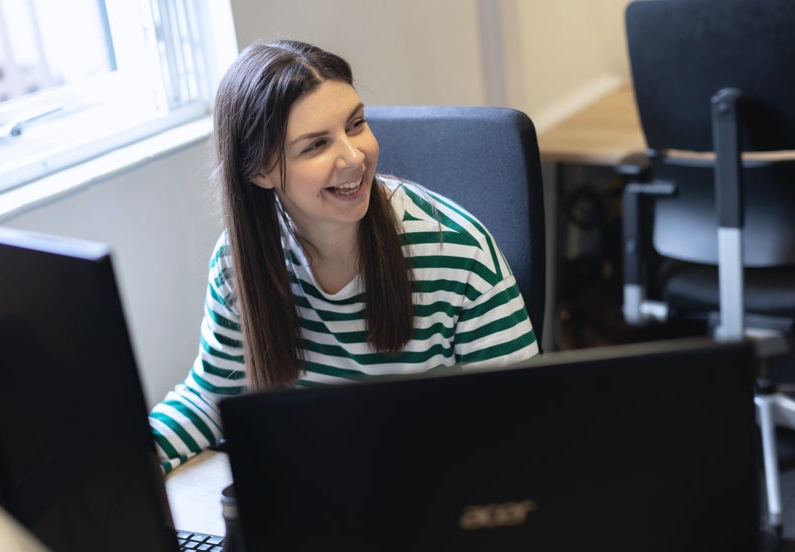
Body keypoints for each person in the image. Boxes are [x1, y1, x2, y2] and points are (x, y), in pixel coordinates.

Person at [149, 39, 539, 474]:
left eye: (355, 125)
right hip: (313, 497)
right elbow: (211, 398)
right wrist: (121, 463)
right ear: (259, 170)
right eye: (315, 145)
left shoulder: (458, 252)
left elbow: (523, 425)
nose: (354, 157)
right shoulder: (238, 263)